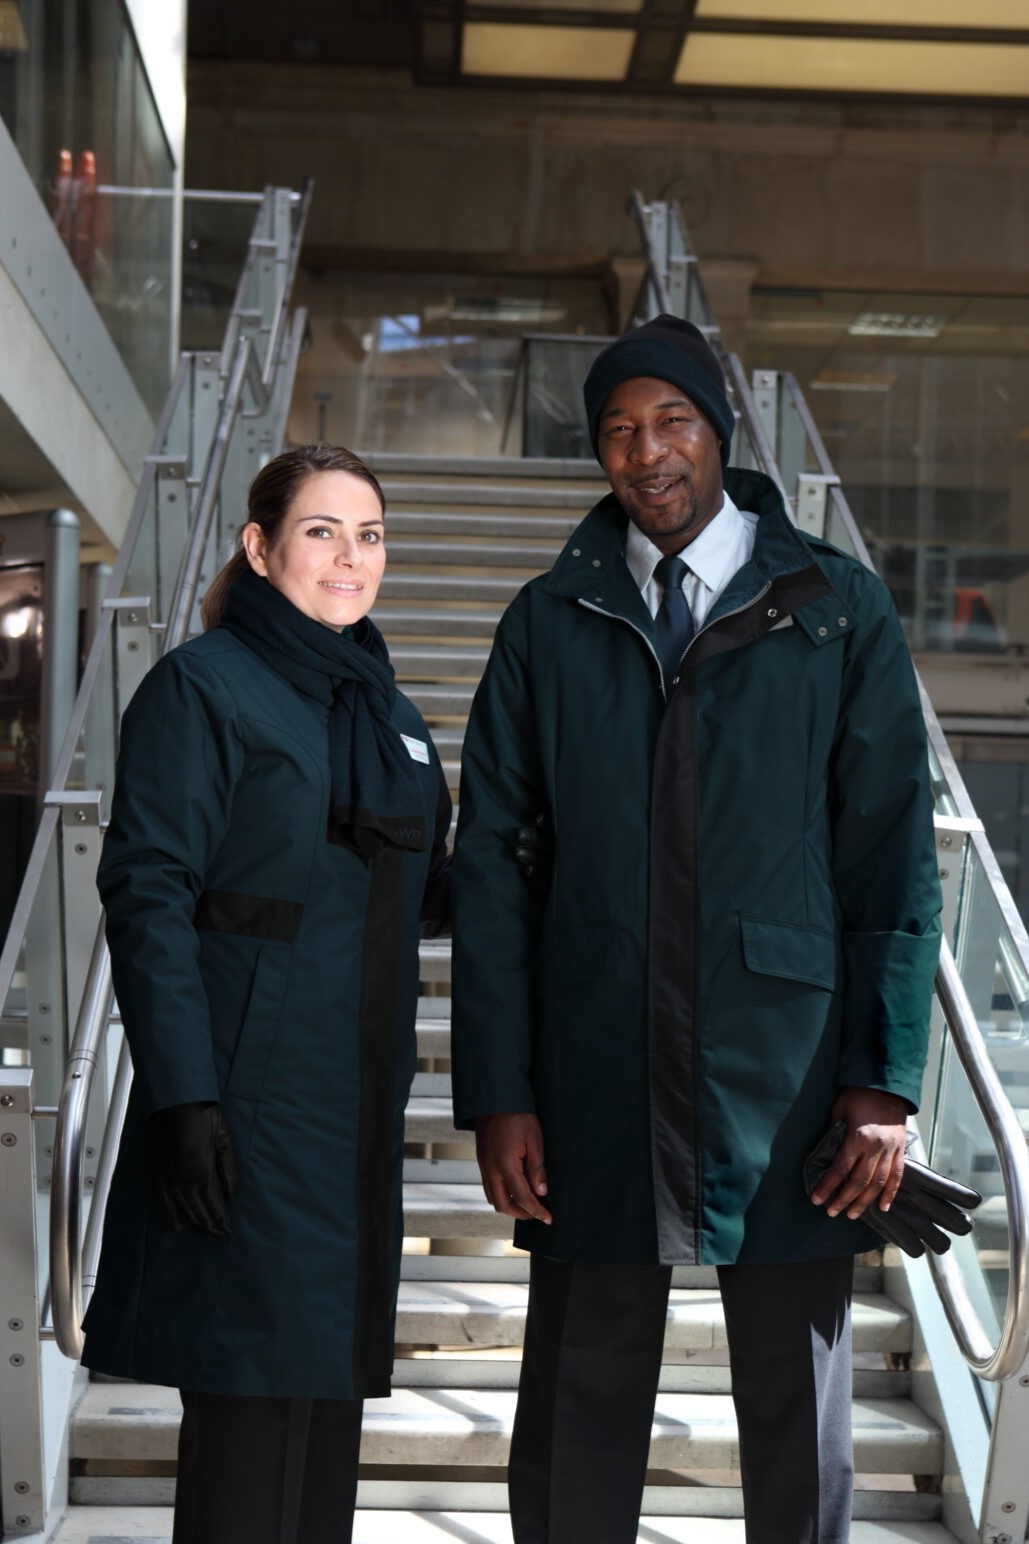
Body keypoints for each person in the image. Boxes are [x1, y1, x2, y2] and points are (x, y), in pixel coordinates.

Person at [450, 315, 942, 1544]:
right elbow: (498, 871)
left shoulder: (836, 609)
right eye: (618, 430)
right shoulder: (546, 622)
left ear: (719, 429)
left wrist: (881, 1084)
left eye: (671, 420)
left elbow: (890, 857)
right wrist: (500, 1087)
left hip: (784, 1078)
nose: (645, 451)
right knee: (577, 1407)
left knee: (798, 1417)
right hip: (596, 1072)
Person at [81, 445, 451, 1544]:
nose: (351, 555)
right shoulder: (201, 686)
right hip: (244, 1107)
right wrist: (184, 1099)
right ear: (260, 546)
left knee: (321, 1424)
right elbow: (148, 894)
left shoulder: (394, 720)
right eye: (323, 530)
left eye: (370, 534)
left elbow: (432, 897)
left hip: (354, 1115)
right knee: (246, 1419)